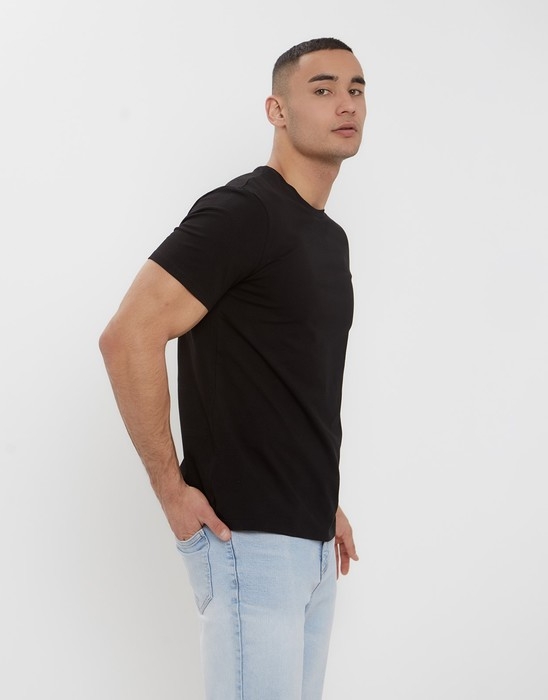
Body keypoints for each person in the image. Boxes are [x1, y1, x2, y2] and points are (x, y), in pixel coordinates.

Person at [99, 37, 366, 700]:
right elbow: (128, 337)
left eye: (356, 89)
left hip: (310, 545)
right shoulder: (244, 212)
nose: (346, 104)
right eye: (323, 89)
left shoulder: (328, 238)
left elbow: (287, 378)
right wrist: (171, 489)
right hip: (249, 543)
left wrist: (320, 499)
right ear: (277, 110)